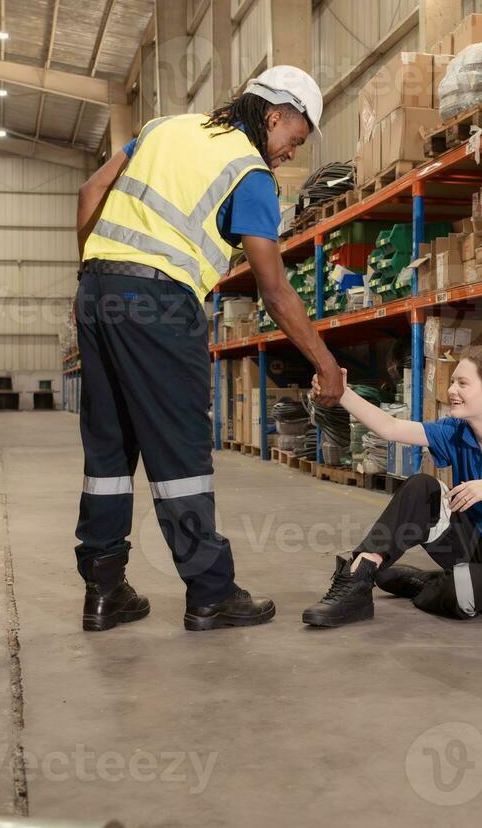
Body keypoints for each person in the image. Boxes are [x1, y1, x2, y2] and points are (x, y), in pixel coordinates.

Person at [71, 65, 345, 633]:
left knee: (109, 450)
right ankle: (211, 593)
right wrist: (326, 363)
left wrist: (97, 277)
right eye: (295, 140)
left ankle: (104, 591)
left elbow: (90, 190)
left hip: (97, 292)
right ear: (275, 115)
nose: (291, 154)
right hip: (161, 304)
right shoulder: (248, 173)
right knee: (181, 455)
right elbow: (273, 287)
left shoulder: (162, 127)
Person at [301, 345, 482, 627]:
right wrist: (342, 391)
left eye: (463, 383)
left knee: (459, 595)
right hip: (477, 543)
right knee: (422, 487)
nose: (452, 389)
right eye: (453, 381)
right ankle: (358, 577)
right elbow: (391, 428)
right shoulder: (457, 431)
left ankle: (429, 582)